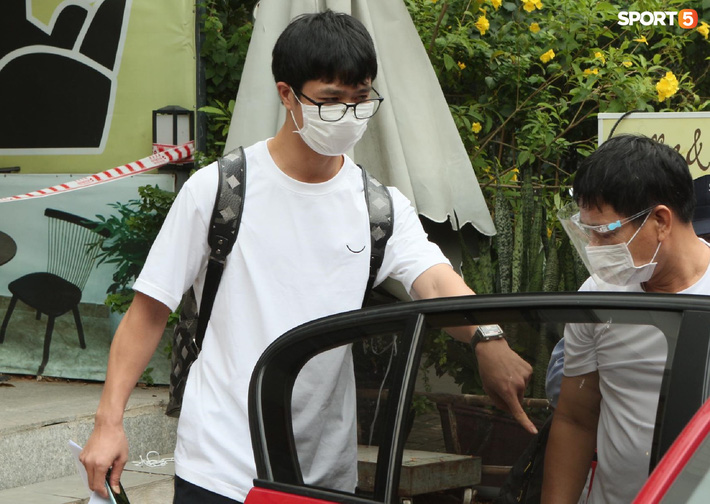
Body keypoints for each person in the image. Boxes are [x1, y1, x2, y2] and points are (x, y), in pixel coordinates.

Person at [80, 10, 534, 504]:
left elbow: (435, 281)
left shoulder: (377, 206)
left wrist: (488, 338)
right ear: (286, 95)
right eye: (331, 100)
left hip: (323, 471)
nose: (349, 113)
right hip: (221, 464)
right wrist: (108, 422)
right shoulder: (220, 191)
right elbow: (149, 311)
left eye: (361, 97)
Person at [542, 134, 710, 503]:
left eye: (606, 234)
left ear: (661, 221)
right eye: (588, 233)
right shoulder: (597, 296)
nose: (594, 250)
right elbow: (574, 418)